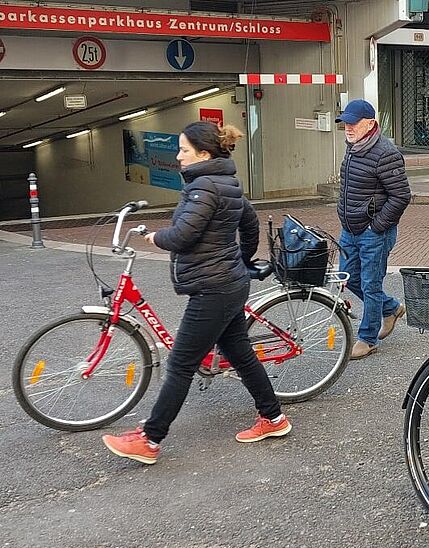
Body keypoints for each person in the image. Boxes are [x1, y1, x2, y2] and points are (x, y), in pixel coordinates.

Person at [102, 121, 291, 465]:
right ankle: (274, 418)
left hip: (212, 289)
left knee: (180, 363)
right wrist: (240, 260)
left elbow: (183, 235)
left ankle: (150, 439)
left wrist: (156, 237)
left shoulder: (204, 186)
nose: (178, 157)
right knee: (240, 354)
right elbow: (249, 224)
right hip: (228, 282)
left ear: (203, 154)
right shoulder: (227, 182)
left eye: (184, 150)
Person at [335, 99, 411, 360]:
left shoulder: (385, 153)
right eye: (345, 122)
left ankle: (367, 339)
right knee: (347, 277)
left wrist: (377, 227)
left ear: (370, 124)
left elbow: (401, 196)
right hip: (350, 229)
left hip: (373, 232)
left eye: (353, 123)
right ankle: (391, 308)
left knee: (370, 284)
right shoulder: (353, 147)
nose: (348, 127)